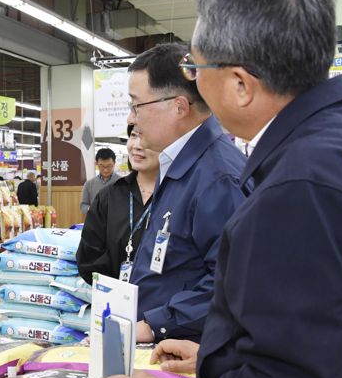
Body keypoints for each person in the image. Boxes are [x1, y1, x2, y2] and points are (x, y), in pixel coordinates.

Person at [101, 0, 342, 378]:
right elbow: (331, 328)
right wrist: (226, 356)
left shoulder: (299, 186)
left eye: (195, 66)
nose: (193, 80)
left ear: (240, 84)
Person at [123, 42, 246, 343]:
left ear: (178, 107)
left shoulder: (218, 177)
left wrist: (155, 325)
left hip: (185, 347)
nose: (131, 119)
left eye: (136, 105)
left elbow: (231, 281)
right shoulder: (181, 165)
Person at [77, 125, 159, 283]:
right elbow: (89, 254)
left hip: (162, 302)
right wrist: (112, 286)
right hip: (113, 297)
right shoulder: (108, 196)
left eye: (146, 136)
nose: (137, 145)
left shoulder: (179, 195)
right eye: (133, 136)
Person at [80, 147, 120, 215]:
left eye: (109, 166)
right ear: (96, 163)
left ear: (114, 163)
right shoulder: (89, 184)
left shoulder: (122, 182)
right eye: (101, 166)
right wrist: (94, 210)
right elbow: (83, 206)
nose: (105, 170)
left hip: (117, 222)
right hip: (96, 222)